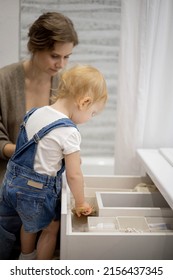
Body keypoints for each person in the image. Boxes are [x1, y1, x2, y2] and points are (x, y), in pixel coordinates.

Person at [0, 64, 108, 260]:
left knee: (28, 222)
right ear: (84, 102)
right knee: (51, 227)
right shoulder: (69, 131)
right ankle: (43, 268)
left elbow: (39, 151)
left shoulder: (36, 112)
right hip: (36, 190)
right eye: (92, 113)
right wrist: (81, 202)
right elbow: (74, 175)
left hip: (11, 183)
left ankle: (26, 256)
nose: (89, 118)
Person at [0, 11, 78, 259]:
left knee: (52, 227)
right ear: (35, 46)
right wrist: (30, 153)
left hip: (48, 179)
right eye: (55, 56)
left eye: (67, 57)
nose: (61, 64)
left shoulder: (64, 84)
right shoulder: (4, 80)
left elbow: (68, 131)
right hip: (8, 176)